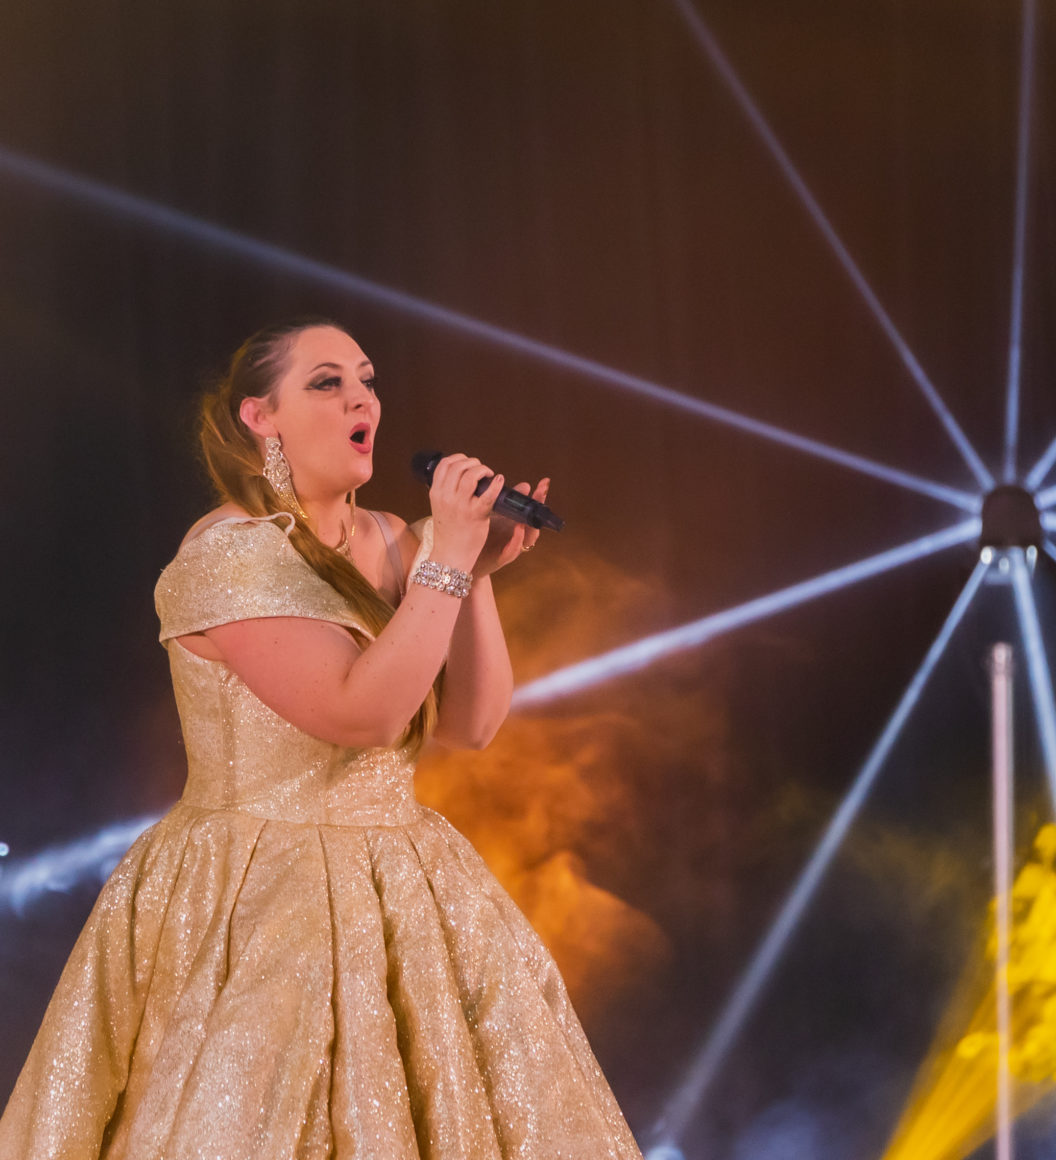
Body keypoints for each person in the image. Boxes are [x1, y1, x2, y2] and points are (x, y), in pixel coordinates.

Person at [0, 319, 643, 1159]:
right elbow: (359, 716)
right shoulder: (228, 555)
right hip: (255, 892)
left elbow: (472, 724)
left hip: (400, 876)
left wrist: (472, 573)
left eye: (367, 380)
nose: (359, 399)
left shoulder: (396, 541)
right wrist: (447, 559)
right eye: (327, 382)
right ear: (259, 417)